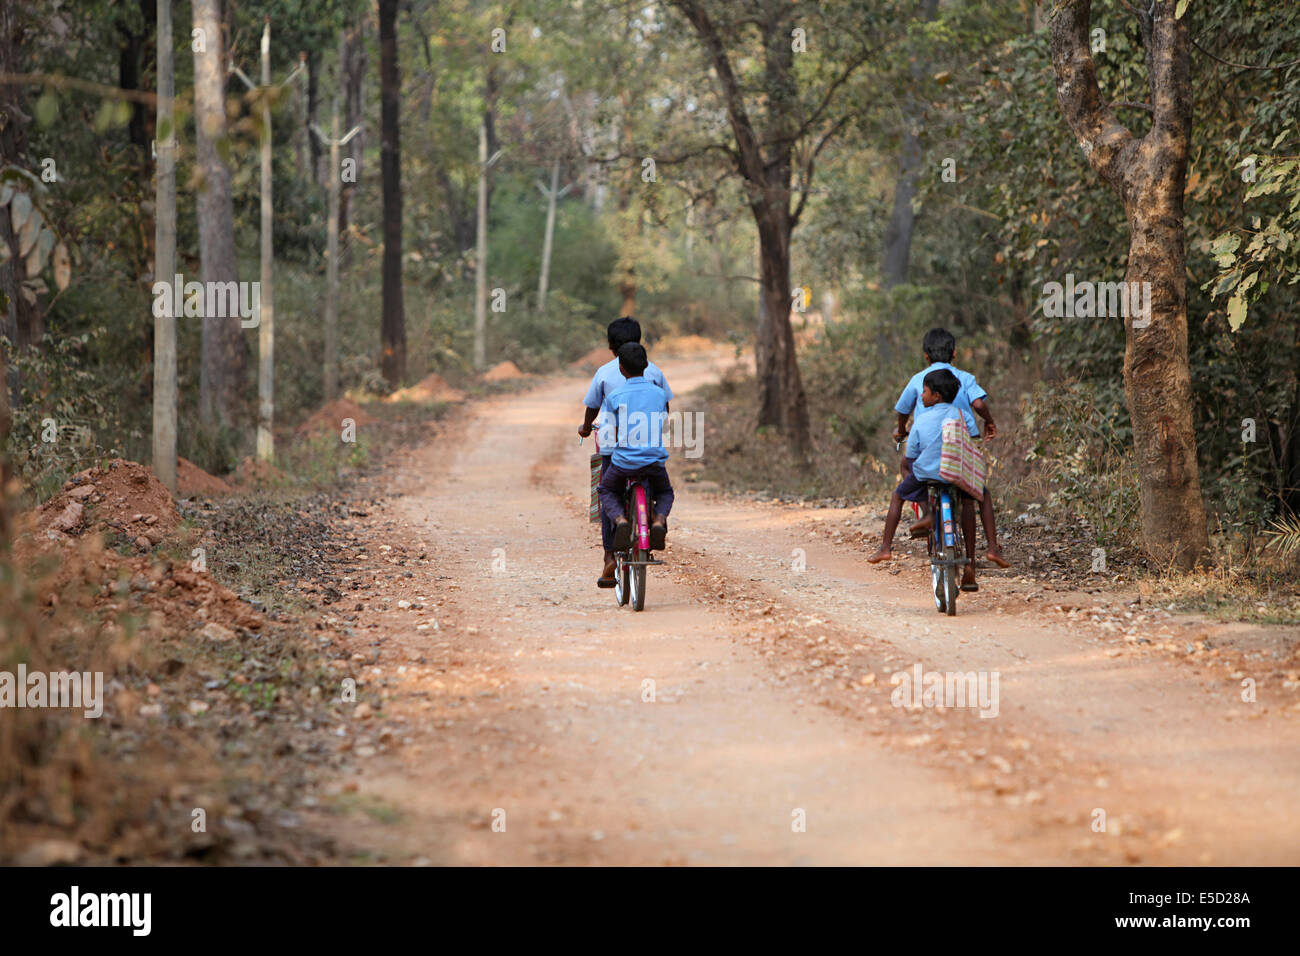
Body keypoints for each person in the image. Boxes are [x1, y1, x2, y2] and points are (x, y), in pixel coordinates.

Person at [892, 327, 1009, 569]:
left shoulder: (918, 380)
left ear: (926, 355)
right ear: (954, 353)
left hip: (928, 450)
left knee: (907, 466)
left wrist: (901, 429)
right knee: (973, 496)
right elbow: (977, 403)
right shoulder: (964, 378)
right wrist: (989, 421)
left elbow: (903, 411)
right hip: (959, 448)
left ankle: (926, 511)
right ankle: (985, 554)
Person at [578, 317, 673, 587]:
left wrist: (586, 428)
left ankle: (609, 556)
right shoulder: (653, 372)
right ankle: (655, 519)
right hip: (650, 449)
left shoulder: (605, 373)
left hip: (615, 448)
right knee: (657, 486)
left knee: (606, 490)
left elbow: (593, 407)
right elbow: (664, 410)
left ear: (611, 347)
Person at [868, 368, 980, 590]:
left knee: (898, 495)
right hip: (957, 474)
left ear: (936, 396)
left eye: (925, 392)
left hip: (928, 474)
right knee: (970, 501)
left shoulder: (921, 419)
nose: (922, 396)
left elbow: (911, 456)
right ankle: (971, 562)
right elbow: (972, 439)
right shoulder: (963, 415)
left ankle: (885, 547)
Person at [596, 342, 674, 553]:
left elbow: (608, 429)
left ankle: (620, 520)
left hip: (624, 463)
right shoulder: (659, 394)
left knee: (606, 489)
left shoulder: (615, 397)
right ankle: (658, 521)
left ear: (621, 368)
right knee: (665, 492)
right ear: (646, 364)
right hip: (654, 461)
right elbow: (663, 418)